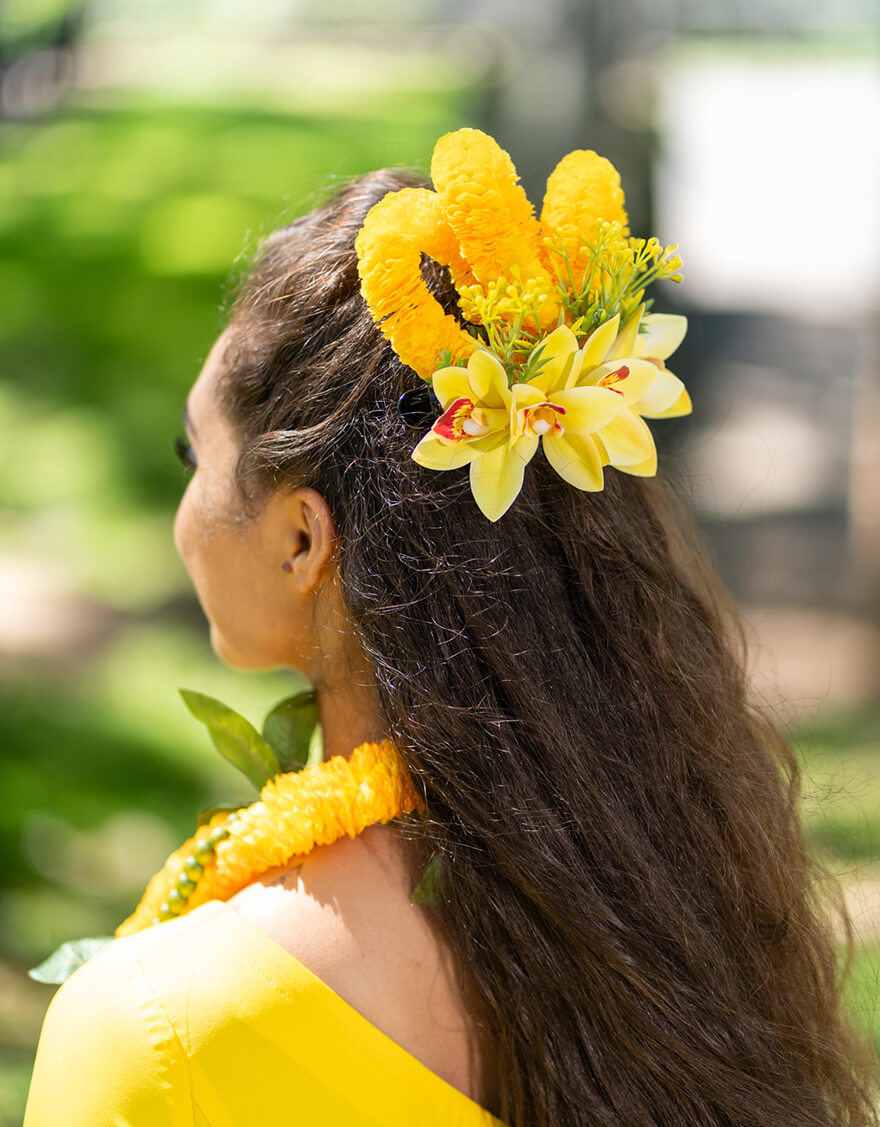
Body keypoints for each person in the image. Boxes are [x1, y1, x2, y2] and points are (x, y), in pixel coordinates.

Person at [23, 128, 878, 1127]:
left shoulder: (152, 1032)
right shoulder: (686, 907)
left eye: (191, 452)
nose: (182, 506)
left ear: (304, 537)